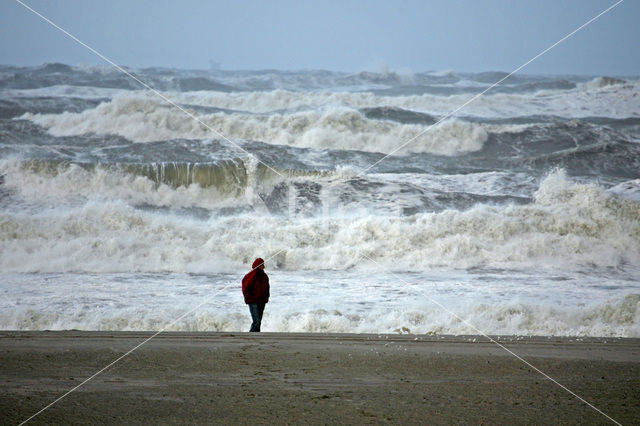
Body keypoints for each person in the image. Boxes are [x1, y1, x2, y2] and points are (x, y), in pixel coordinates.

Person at [242, 258, 270, 332]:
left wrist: (266, 298)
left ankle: (256, 335)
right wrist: (249, 299)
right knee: (256, 321)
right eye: (262, 265)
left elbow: (267, 288)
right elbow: (245, 289)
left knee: (259, 320)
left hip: (262, 301)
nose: (264, 266)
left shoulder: (264, 276)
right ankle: (251, 335)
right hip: (253, 301)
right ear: (258, 265)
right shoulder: (250, 276)